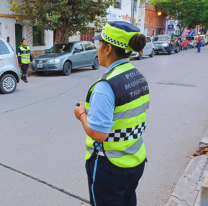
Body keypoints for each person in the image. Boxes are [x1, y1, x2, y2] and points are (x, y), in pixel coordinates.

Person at [74, 21, 149, 206]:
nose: (98, 48)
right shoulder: (137, 75)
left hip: (110, 166)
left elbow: (99, 134)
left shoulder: (105, 86)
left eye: (99, 44)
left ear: (107, 49)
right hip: (135, 160)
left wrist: (81, 113)